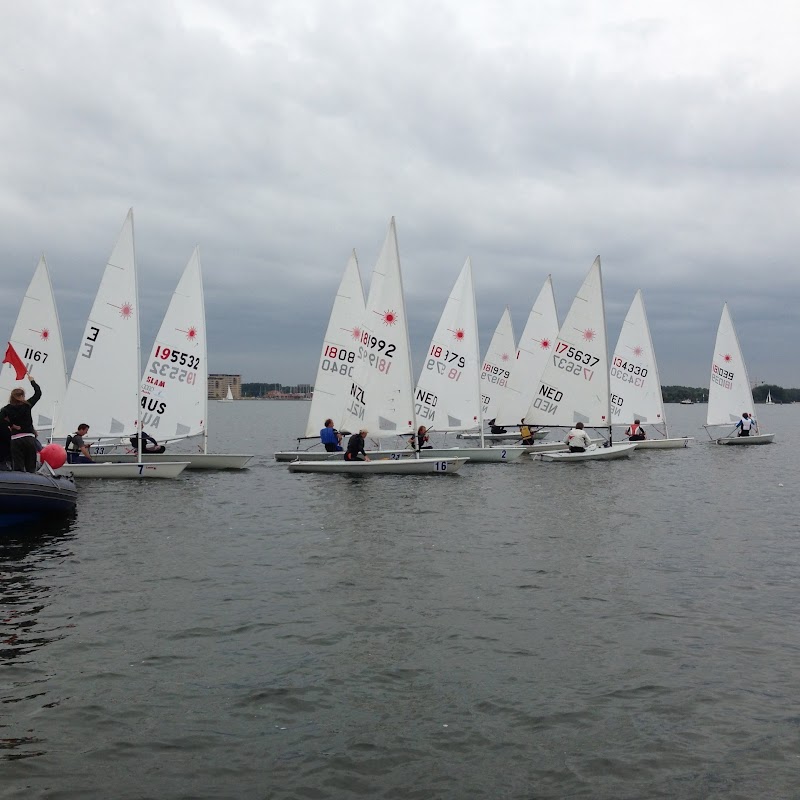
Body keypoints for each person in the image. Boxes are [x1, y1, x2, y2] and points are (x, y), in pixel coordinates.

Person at [0, 374, 42, 472]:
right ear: (22, 396)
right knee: (30, 467)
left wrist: (11, 425)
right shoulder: (27, 405)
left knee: (18, 467)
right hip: (28, 438)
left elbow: (0, 419)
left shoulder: (6, 408)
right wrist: (32, 381)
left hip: (15, 439)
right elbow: (38, 393)